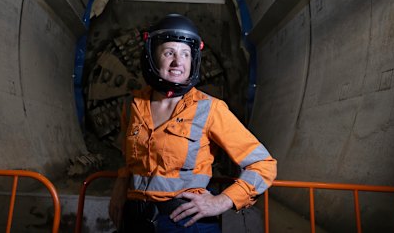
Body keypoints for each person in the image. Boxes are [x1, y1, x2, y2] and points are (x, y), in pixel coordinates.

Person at [108, 13, 277, 232]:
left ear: (193, 60)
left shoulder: (210, 109)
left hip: (184, 222)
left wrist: (222, 201)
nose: (178, 62)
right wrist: (120, 188)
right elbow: (128, 160)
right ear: (151, 56)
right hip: (135, 219)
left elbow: (263, 165)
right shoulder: (133, 105)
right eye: (169, 52)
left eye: (185, 54)